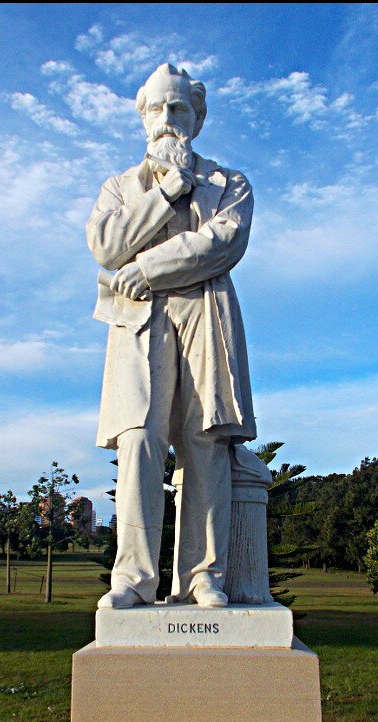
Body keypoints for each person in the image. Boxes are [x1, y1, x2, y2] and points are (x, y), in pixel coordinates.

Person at [87, 63, 258, 609]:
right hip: (138, 323)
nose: (167, 118)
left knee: (204, 440)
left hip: (205, 315)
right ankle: (132, 579)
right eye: (157, 108)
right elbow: (108, 247)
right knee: (139, 439)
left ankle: (202, 576)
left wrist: (146, 269)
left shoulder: (230, 183)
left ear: (198, 116)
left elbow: (220, 245)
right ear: (142, 115)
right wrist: (169, 189)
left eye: (178, 108)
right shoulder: (119, 187)